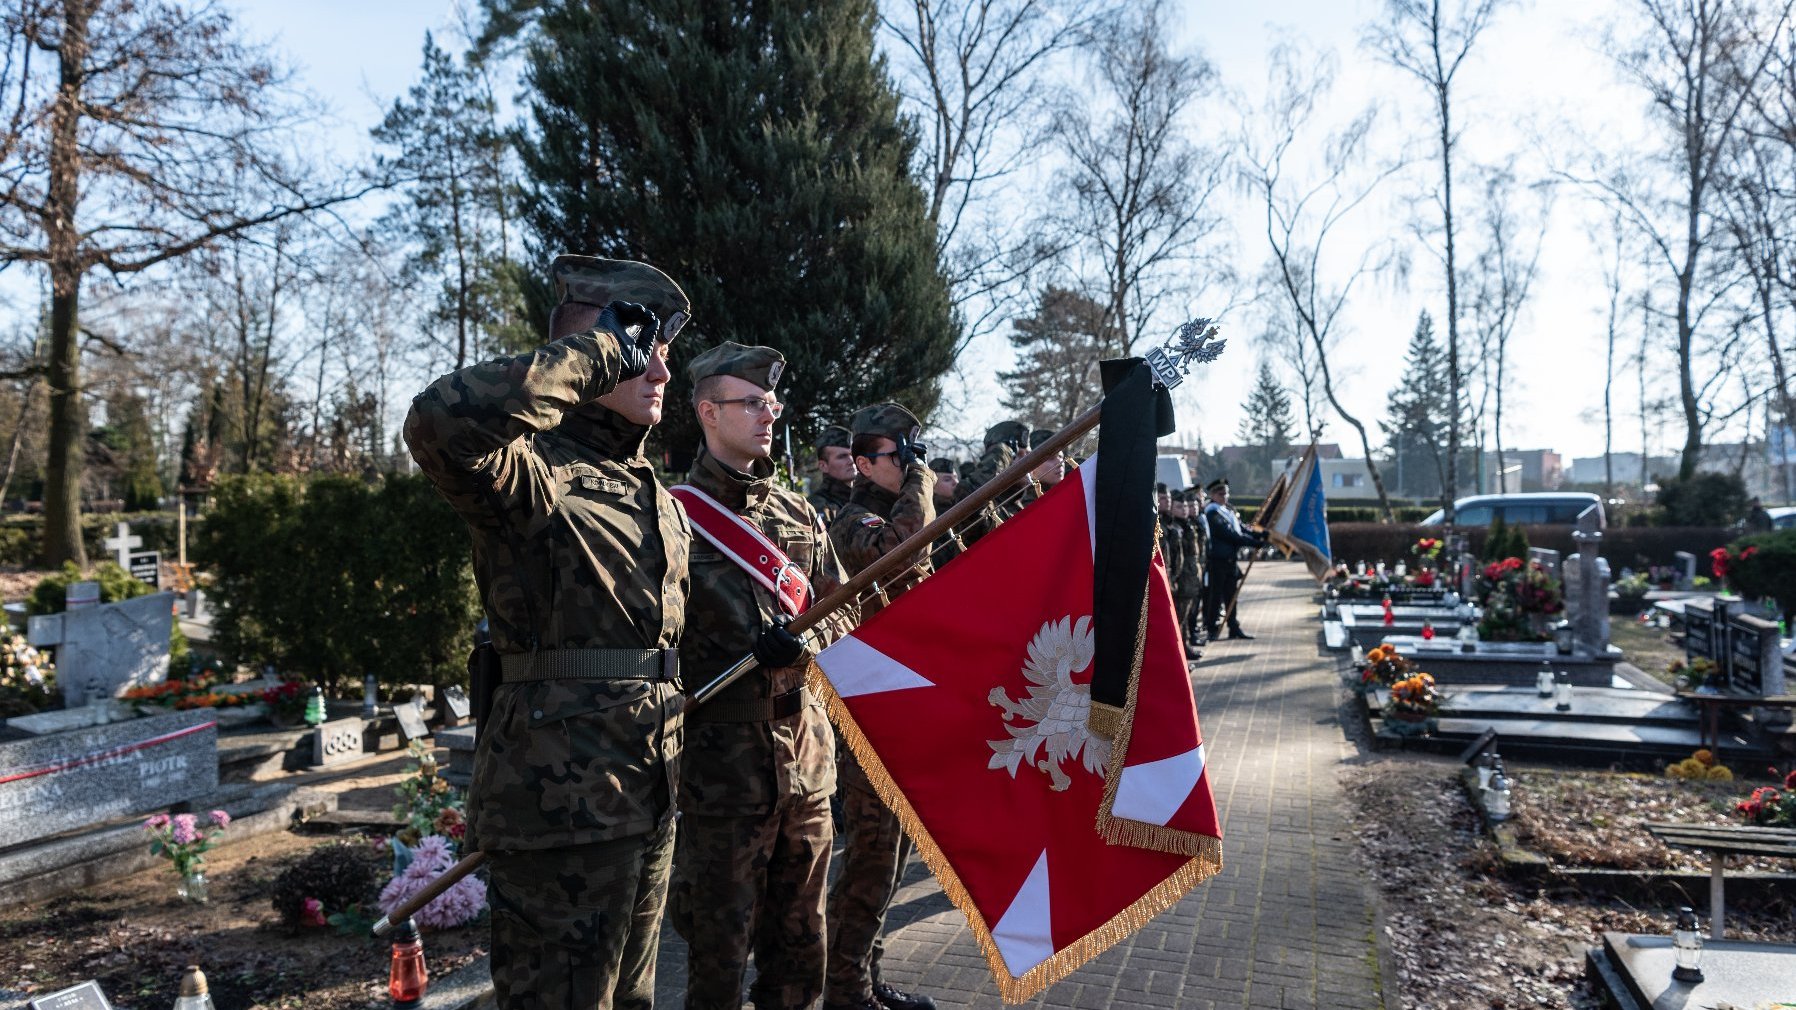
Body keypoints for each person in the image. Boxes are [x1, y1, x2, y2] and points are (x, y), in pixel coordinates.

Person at [403, 255, 692, 1010]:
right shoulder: (528, 470)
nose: (661, 369)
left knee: (632, 1000)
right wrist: (601, 351)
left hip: (648, 790)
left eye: (664, 350)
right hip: (559, 809)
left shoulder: (652, 490)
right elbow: (437, 420)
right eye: (642, 346)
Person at [669, 342, 857, 1010]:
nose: (767, 415)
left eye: (771, 403)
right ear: (708, 412)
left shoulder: (798, 513)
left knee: (802, 955)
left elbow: (843, 611)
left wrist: (807, 643)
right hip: (723, 780)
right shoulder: (671, 518)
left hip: (806, 769)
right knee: (717, 961)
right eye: (751, 403)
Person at [824, 403, 940, 1010]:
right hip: (870, 708)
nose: (914, 465)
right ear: (866, 462)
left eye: (917, 453)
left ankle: (866, 977)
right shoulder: (850, 518)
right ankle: (844, 989)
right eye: (903, 455)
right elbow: (902, 548)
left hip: (904, 705)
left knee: (890, 857)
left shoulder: (895, 508)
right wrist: (921, 482)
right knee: (870, 857)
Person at [1202, 477, 1268, 641]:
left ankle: (1233, 627)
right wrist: (1254, 543)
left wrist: (1259, 535)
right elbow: (1230, 535)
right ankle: (1211, 628)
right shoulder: (1212, 513)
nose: (1224, 496)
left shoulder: (1228, 511)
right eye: (1220, 493)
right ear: (1212, 495)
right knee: (1216, 596)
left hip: (1230, 560)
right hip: (1218, 561)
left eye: (1226, 493)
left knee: (1231, 595)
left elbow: (1241, 530)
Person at [1172, 491, 1206, 651]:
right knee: (1179, 619)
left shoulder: (1189, 525)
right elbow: (1176, 560)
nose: (1185, 509)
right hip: (1181, 581)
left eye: (1186, 506)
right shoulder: (1174, 529)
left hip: (1191, 578)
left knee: (1186, 617)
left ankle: (1185, 648)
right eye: (1180, 506)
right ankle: (1181, 651)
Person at [809, 424, 856, 524]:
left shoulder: (864, 498)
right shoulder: (818, 506)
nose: (851, 461)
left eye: (852, 454)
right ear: (823, 466)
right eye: (842, 456)